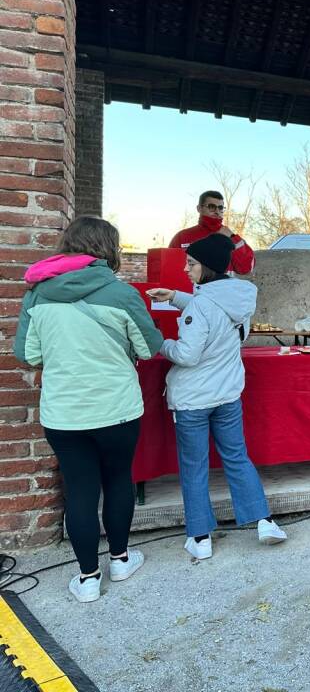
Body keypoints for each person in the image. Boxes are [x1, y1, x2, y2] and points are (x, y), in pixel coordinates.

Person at [14, 217, 164, 603]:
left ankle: (87, 579)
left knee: (79, 491)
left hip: (64, 413)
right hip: (117, 409)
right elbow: (148, 348)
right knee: (118, 481)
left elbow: (28, 355)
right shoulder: (123, 294)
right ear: (109, 250)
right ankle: (120, 559)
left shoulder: (37, 295)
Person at [148, 235, 286, 560]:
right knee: (237, 456)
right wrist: (177, 297)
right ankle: (264, 521)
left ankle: (200, 537)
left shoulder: (201, 304)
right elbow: (214, 311)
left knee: (194, 467)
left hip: (194, 398)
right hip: (228, 393)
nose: (185, 269)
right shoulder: (239, 298)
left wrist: (158, 341)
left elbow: (187, 354)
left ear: (207, 267)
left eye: (191, 263)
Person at [169, 190, 255, 275]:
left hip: (223, 288)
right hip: (190, 288)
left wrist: (232, 237)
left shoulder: (232, 238)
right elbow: (169, 269)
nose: (217, 211)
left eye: (220, 208)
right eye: (211, 207)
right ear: (199, 208)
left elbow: (246, 269)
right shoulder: (182, 237)